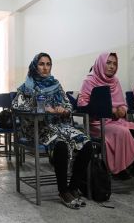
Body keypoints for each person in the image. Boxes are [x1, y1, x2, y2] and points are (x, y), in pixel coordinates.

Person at [12, 53, 92, 209]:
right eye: (41, 64)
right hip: (38, 128)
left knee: (87, 143)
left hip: (59, 125)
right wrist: (40, 108)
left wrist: (64, 110)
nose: (45, 67)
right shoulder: (27, 86)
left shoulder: (56, 85)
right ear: (35, 66)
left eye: (48, 64)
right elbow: (16, 106)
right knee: (60, 145)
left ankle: (73, 187)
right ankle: (63, 191)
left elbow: (69, 105)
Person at [78, 52, 134, 189]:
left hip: (117, 121)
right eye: (109, 63)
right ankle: (122, 168)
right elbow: (82, 104)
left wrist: (123, 110)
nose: (112, 66)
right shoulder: (89, 81)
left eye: (115, 64)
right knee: (122, 132)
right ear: (101, 63)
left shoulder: (115, 81)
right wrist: (110, 110)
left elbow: (123, 103)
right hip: (98, 124)